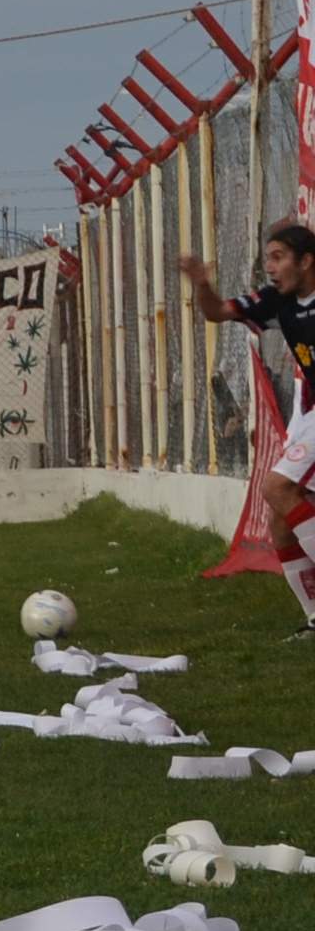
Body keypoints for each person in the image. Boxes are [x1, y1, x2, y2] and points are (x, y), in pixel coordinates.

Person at [181, 222, 315, 636]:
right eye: (266, 259)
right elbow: (217, 312)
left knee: (275, 488)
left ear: (306, 261)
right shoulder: (278, 301)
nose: (269, 268)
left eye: (277, 258)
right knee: (280, 519)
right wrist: (202, 284)